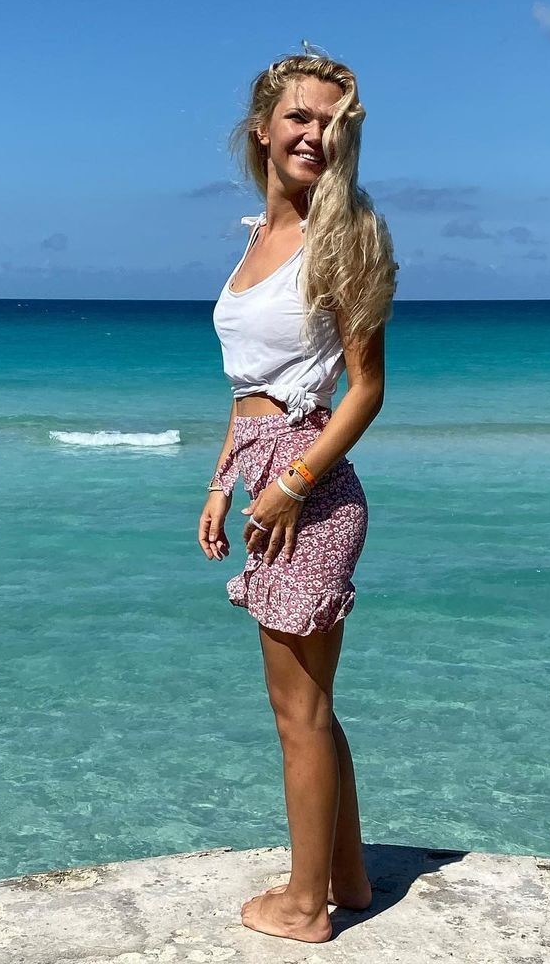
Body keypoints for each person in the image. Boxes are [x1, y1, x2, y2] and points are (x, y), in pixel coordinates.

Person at [198, 48, 398, 943]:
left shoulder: (345, 235)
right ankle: (346, 876)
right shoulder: (255, 238)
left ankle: (305, 905)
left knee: (298, 712)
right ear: (262, 129)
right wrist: (221, 481)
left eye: (332, 122)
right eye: (300, 117)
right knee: (312, 705)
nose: (314, 135)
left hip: (308, 487)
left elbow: (365, 389)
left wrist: (288, 485)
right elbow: (249, 386)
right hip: (265, 476)